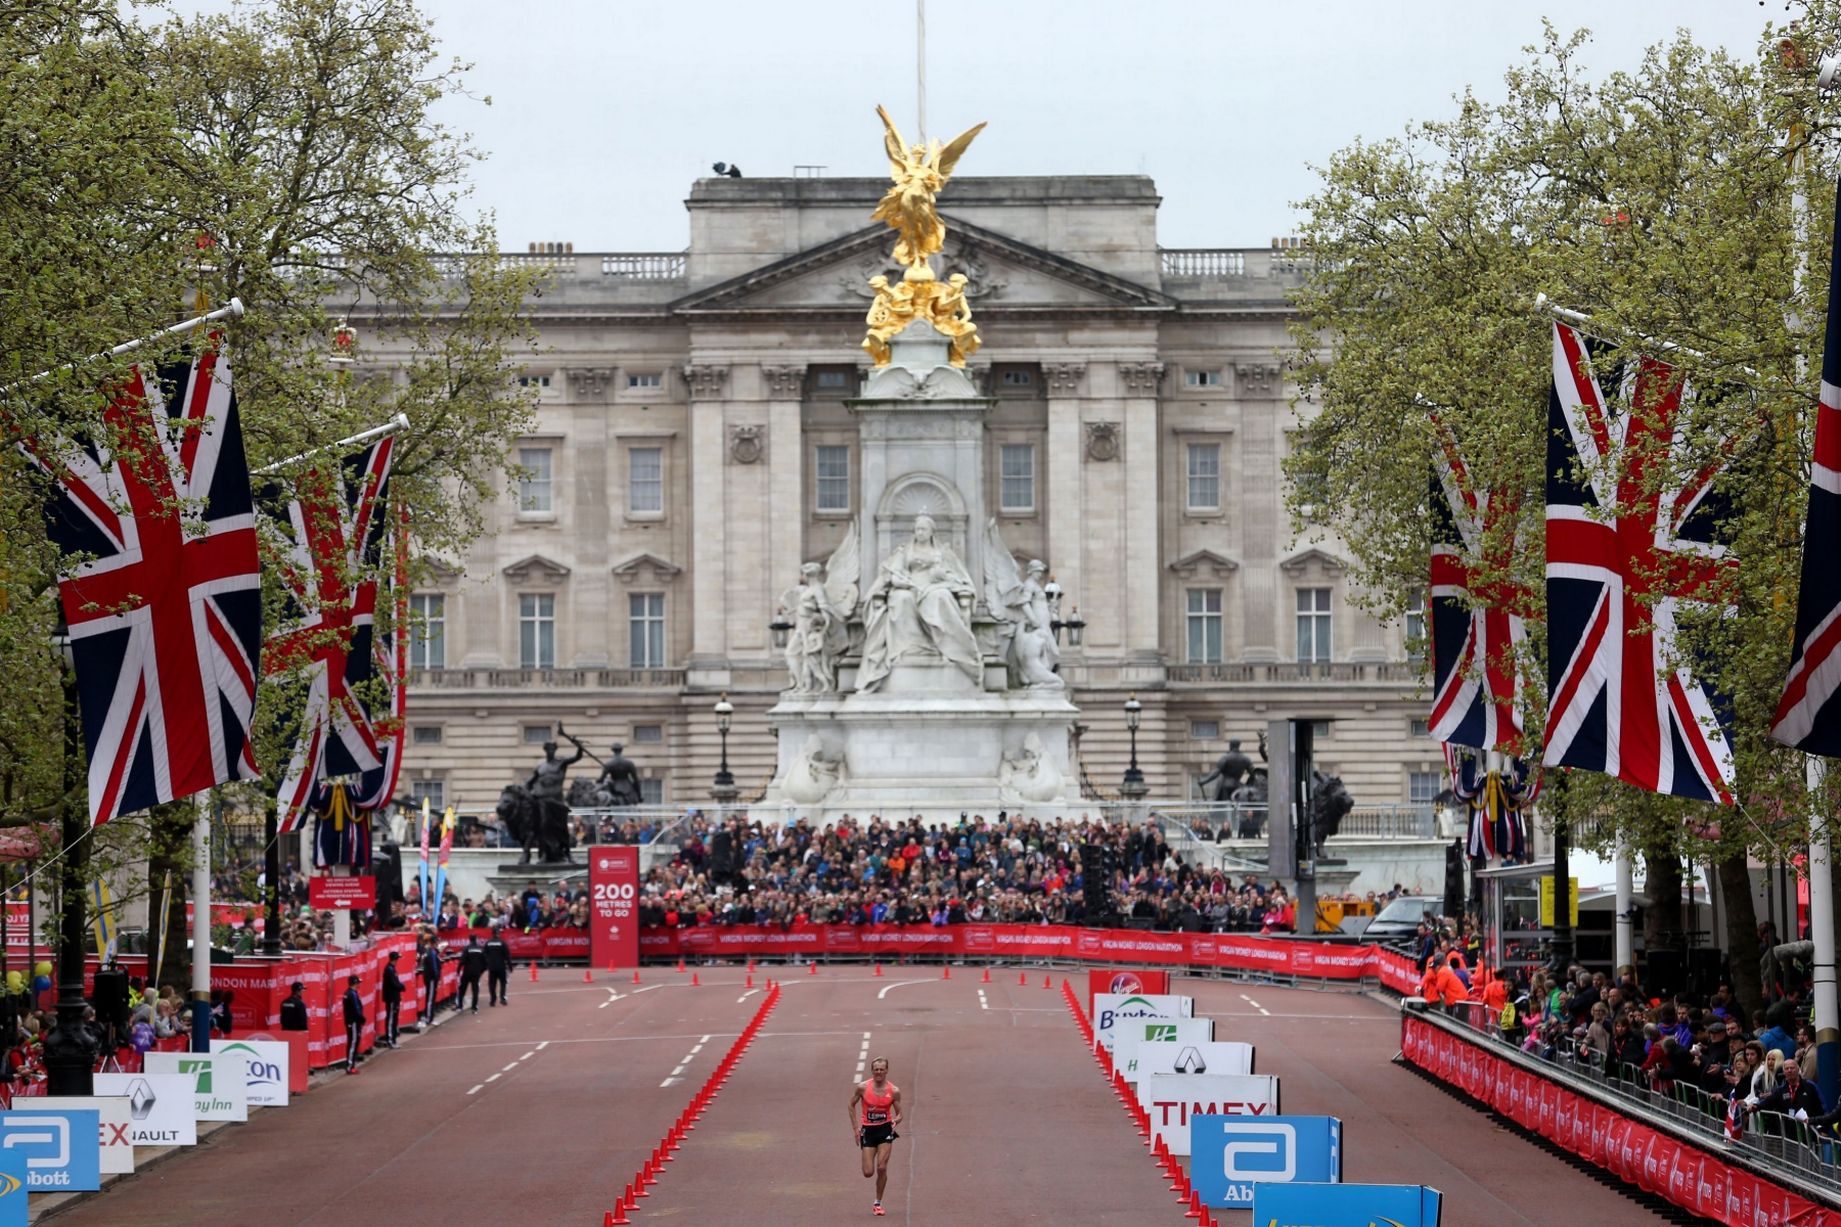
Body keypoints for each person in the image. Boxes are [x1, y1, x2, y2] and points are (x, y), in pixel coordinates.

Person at [849, 1056, 903, 1217]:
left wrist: (896, 1121)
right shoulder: (862, 1088)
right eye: (876, 1069)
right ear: (872, 1071)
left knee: (882, 1167)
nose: (879, 1072)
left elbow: (900, 1114)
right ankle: (877, 1198)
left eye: (882, 1069)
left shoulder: (894, 1091)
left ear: (886, 1071)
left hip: (885, 1130)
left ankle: (877, 1203)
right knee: (868, 1172)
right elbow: (851, 1105)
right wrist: (855, 1128)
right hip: (868, 1130)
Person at [341, 975, 365, 1074]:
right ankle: (350, 1066)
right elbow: (356, 1009)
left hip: (351, 1021)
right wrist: (361, 1018)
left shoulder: (348, 993)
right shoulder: (352, 994)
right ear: (355, 982)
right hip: (353, 1022)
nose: (359, 983)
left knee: (352, 1043)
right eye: (358, 982)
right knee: (353, 1043)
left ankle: (351, 1065)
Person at [484, 923, 513, 1006]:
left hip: (492, 967)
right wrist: (510, 966)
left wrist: (486, 965)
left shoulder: (488, 943)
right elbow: (507, 956)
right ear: (497, 933)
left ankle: (493, 1000)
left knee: (492, 984)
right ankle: (502, 998)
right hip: (501, 966)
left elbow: (484, 955)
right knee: (503, 983)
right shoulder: (502, 943)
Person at [381, 952, 404, 1048]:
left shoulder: (392, 969)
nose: (398, 960)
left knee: (394, 1018)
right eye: (397, 958)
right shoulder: (389, 969)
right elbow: (394, 983)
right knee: (391, 1018)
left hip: (394, 997)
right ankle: (390, 1040)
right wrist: (402, 987)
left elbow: (396, 982)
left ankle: (393, 1039)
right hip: (391, 998)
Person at [459, 935, 487, 1013]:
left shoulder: (466, 948)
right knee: (475, 990)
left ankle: (460, 1006)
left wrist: (458, 971)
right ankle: (474, 1007)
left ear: (469, 940)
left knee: (462, 989)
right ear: (476, 940)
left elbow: (462, 961)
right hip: (476, 972)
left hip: (467, 972)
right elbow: (485, 963)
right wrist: (481, 971)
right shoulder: (480, 949)